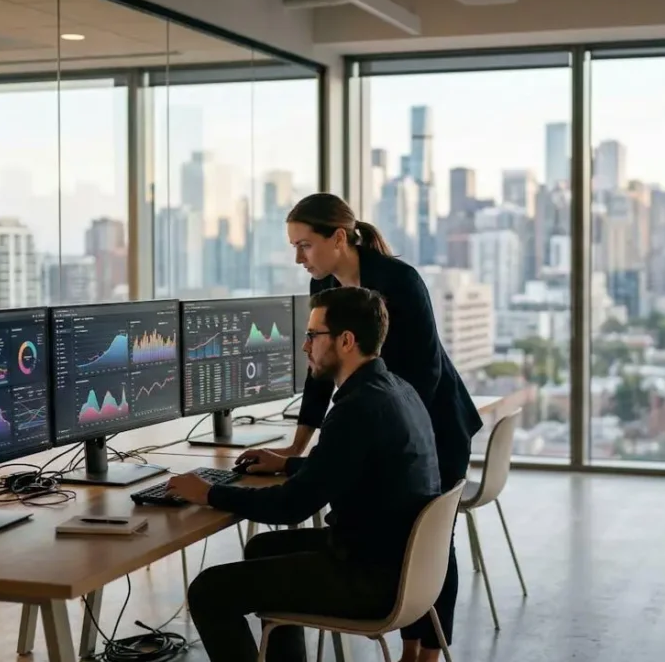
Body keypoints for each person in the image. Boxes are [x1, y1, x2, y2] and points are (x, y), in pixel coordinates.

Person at [262, 192, 482, 662]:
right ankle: (408, 647)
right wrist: (297, 446)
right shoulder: (324, 289)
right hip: (391, 419)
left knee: (430, 537)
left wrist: (394, 431)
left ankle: (426, 653)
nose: (298, 257)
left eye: (304, 245)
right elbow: (320, 372)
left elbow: (427, 371)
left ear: (338, 238)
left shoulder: (399, 280)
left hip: (434, 421)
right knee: (397, 537)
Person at [169, 287, 441, 662]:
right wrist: (287, 464)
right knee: (261, 549)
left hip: (371, 579)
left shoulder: (356, 409)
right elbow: (352, 467)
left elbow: (292, 506)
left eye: (313, 336)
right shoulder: (397, 390)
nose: (304, 347)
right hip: (403, 564)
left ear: (346, 341)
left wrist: (209, 493)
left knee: (207, 590)